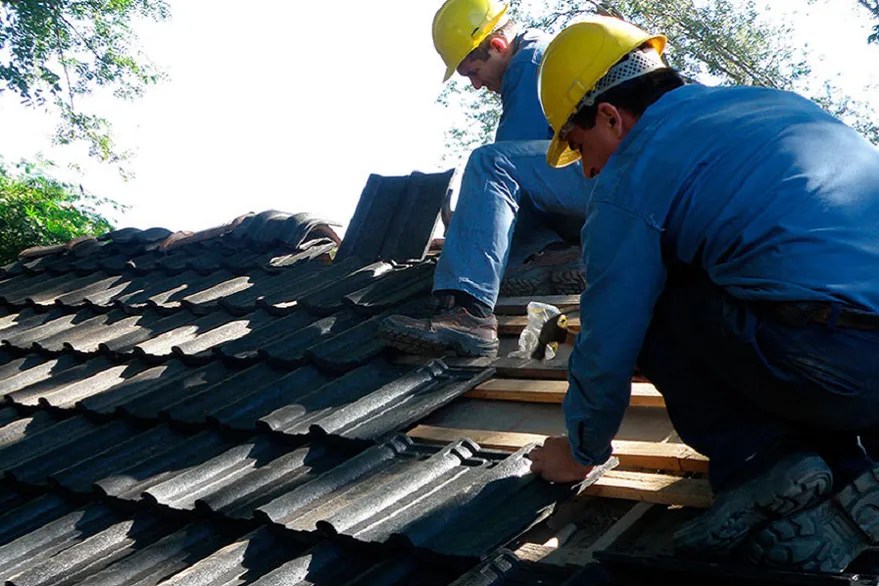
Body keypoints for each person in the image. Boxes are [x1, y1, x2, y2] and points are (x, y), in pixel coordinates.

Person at [527, 15, 879, 573]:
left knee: (651, 302)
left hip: (836, 364)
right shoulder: (770, 103)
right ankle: (855, 470)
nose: (589, 170)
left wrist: (580, 450)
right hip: (853, 357)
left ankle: (760, 461)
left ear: (610, 117)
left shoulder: (630, 177)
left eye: (579, 144)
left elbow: (609, 337)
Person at [379, 0, 590, 358]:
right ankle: (553, 253)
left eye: (473, 72)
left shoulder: (529, 64)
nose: (476, 85)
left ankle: (471, 312)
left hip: (608, 183)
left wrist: (470, 232)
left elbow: (509, 171)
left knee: (489, 163)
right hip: (604, 189)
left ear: (498, 45)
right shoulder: (540, 52)